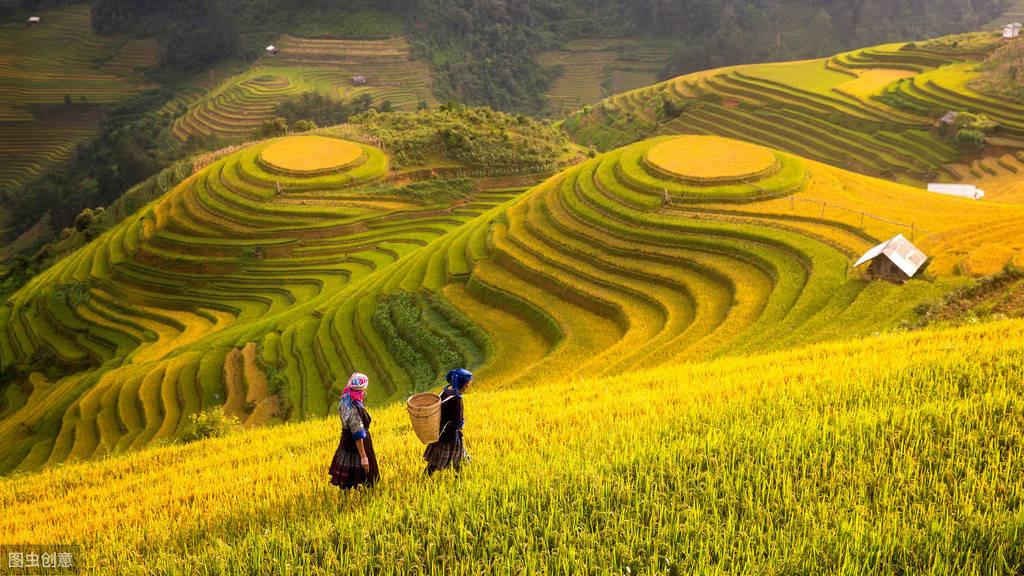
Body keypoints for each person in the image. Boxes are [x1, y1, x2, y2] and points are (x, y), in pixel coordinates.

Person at [329, 372, 379, 489]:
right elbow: (358, 434)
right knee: (369, 476)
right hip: (358, 443)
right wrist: (363, 457)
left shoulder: (345, 400)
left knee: (347, 477)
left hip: (346, 440)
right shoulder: (354, 408)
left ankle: (347, 497)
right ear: (362, 391)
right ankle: (367, 497)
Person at [424, 368, 472, 476]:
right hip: (450, 435)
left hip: (439, 431)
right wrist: (461, 426)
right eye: (467, 385)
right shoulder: (457, 400)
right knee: (456, 458)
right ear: (460, 384)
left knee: (436, 459)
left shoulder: (444, 392)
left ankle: (426, 475)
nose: (468, 387)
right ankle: (458, 479)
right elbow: (458, 421)